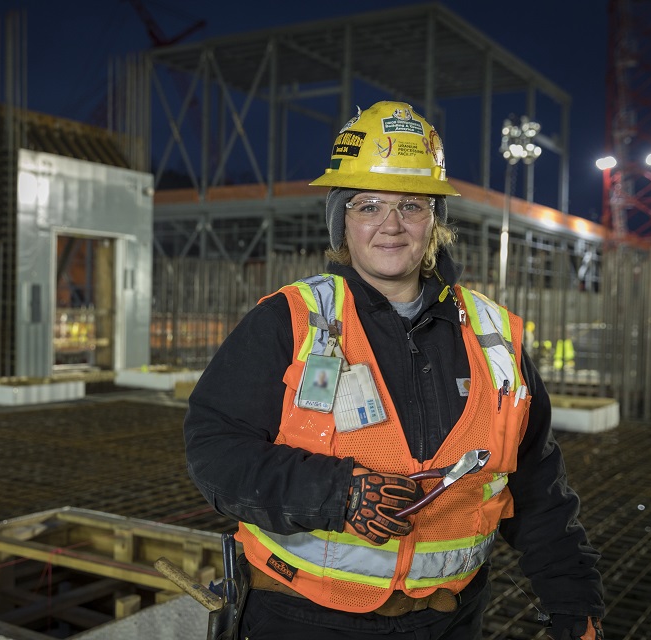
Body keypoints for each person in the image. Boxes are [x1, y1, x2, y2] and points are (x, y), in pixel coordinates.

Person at [183, 100, 605, 640]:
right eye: (367, 206)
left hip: (449, 621)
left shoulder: (494, 337)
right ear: (342, 221)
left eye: (410, 205)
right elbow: (215, 447)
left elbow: (537, 487)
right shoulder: (289, 322)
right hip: (303, 619)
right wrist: (336, 494)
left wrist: (572, 601)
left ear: (434, 221)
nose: (390, 225)